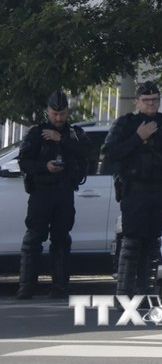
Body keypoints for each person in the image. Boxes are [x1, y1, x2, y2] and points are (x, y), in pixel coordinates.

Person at [103, 81, 162, 297]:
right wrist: (138, 138)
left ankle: (145, 292)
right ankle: (124, 292)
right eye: (146, 100)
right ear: (137, 101)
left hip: (160, 189)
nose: (151, 104)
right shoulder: (126, 123)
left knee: (152, 243)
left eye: (154, 100)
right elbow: (111, 153)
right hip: (135, 189)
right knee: (132, 242)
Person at [15, 91, 91, 299]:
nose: (58, 118)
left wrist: (61, 139)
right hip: (41, 192)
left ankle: (60, 287)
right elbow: (23, 162)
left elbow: (86, 153)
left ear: (67, 112)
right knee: (33, 238)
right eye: (54, 114)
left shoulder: (74, 134)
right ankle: (26, 287)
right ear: (47, 112)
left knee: (61, 239)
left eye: (62, 114)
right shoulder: (36, 133)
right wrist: (44, 167)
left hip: (64, 192)